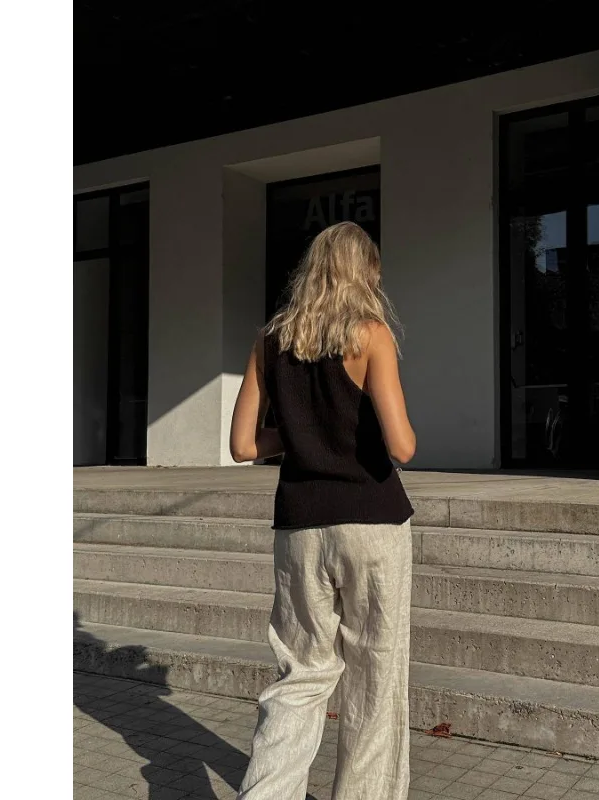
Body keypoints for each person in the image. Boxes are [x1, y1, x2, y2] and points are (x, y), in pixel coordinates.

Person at [229, 221, 416, 800]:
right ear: (365, 273)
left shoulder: (270, 341)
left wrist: (300, 433)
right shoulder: (372, 335)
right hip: (373, 521)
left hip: (300, 524)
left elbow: (243, 446)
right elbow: (402, 446)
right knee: (375, 677)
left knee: (300, 675)